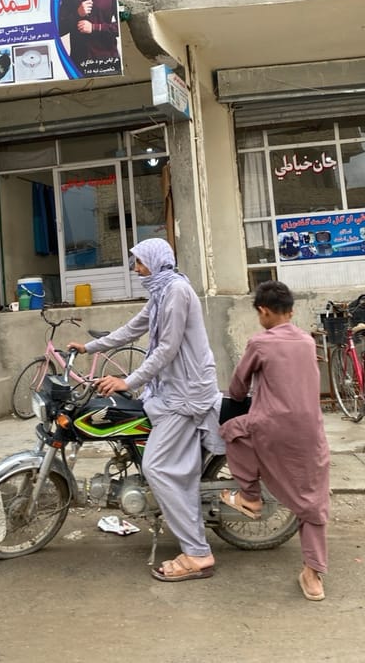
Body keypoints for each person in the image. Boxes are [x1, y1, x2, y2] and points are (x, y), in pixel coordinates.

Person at [67, 237, 225, 582]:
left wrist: (128, 381)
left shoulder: (177, 292)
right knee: (149, 456)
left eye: (139, 263)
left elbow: (167, 347)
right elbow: (132, 329)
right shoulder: (160, 292)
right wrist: (89, 346)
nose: (136, 269)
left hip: (185, 392)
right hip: (170, 389)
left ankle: (198, 554)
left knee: (158, 467)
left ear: (155, 261)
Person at [219, 280, 330, 601]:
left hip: (270, 428)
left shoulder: (260, 343)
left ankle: (250, 496)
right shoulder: (308, 341)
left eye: (259, 314)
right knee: (313, 502)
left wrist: (246, 395)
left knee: (232, 430)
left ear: (264, 311)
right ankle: (313, 575)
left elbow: (238, 387)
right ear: (292, 312)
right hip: (311, 434)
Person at [57, 0, 121, 77]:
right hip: (78, 64)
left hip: (107, 62)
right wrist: (77, 14)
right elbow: (58, 30)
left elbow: (121, 28)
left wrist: (94, 28)